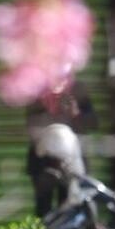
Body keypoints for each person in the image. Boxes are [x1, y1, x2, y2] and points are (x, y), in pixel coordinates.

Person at [25, 78, 97, 218]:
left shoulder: (77, 90)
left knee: (69, 207)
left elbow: (93, 123)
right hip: (43, 161)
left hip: (72, 161)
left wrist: (76, 112)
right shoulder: (38, 89)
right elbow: (30, 124)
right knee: (43, 210)